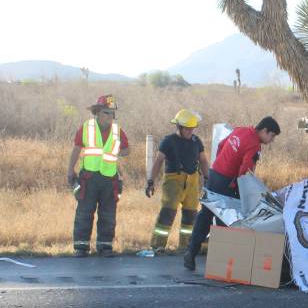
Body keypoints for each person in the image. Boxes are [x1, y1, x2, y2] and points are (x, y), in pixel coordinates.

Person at [183, 116, 280, 270]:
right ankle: (225, 263)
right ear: (264, 130)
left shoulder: (240, 130)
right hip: (226, 182)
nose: (272, 140)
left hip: (214, 174)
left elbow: (221, 145)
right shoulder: (254, 145)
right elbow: (245, 171)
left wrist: (222, 163)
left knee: (205, 215)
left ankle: (191, 252)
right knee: (228, 221)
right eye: (272, 136)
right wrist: (241, 190)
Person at [67, 95, 130, 257]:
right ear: (97, 112)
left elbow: (126, 150)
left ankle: (105, 246)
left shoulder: (118, 131)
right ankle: (81, 248)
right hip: (89, 178)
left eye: (112, 113)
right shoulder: (86, 128)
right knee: (84, 212)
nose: (110, 116)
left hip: (110, 179)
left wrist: (115, 151)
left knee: (108, 214)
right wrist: (70, 170)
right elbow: (76, 149)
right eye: (106, 113)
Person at [145, 109, 209, 254]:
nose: (190, 131)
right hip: (173, 181)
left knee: (191, 215)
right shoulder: (169, 141)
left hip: (192, 182)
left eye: (192, 129)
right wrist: (151, 181)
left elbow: (204, 160)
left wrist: (207, 178)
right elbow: (158, 161)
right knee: (167, 213)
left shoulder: (196, 141)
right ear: (179, 127)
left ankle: (185, 247)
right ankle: (158, 246)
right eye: (187, 128)